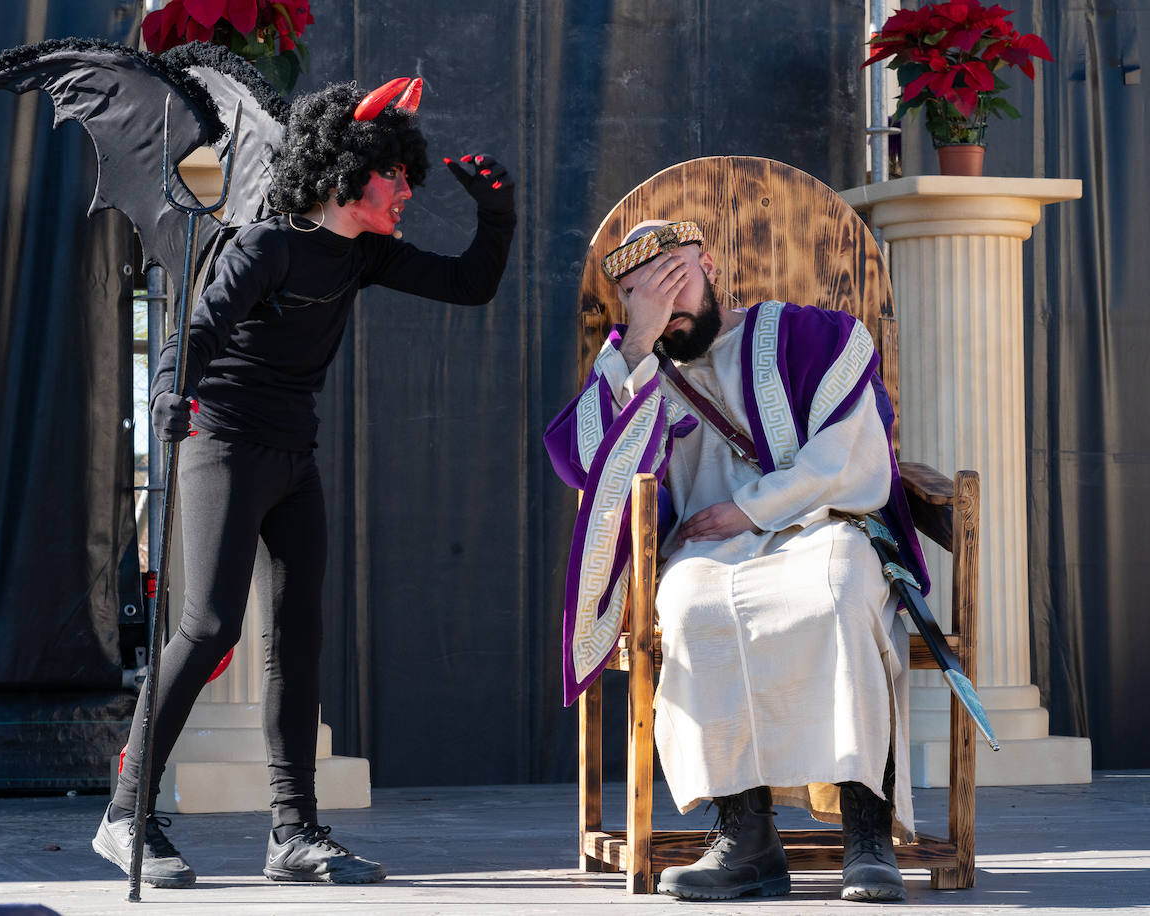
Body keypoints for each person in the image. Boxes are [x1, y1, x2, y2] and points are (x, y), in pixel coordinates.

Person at [93, 79, 516, 888]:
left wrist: (494, 212)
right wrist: (167, 395)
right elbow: (197, 328)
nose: (406, 188)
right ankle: (125, 814)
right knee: (210, 624)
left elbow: (471, 284)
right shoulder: (266, 246)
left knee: (299, 638)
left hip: (293, 455)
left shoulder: (361, 253)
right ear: (342, 172)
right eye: (393, 172)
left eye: (406, 171)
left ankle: (294, 834)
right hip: (222, 442)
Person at [544, 219, 927, 902]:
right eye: (642, 293)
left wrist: (755, 506)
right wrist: (635, 340)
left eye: (676, 280)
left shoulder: (807, 337)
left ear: (712, 266)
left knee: (839, 589)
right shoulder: (638, 372)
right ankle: (746, 837)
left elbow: (854, 450)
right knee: (691, 606)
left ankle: (866, 835)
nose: (668, 304)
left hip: (819, 526)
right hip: (707, 552)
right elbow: (583, 464)